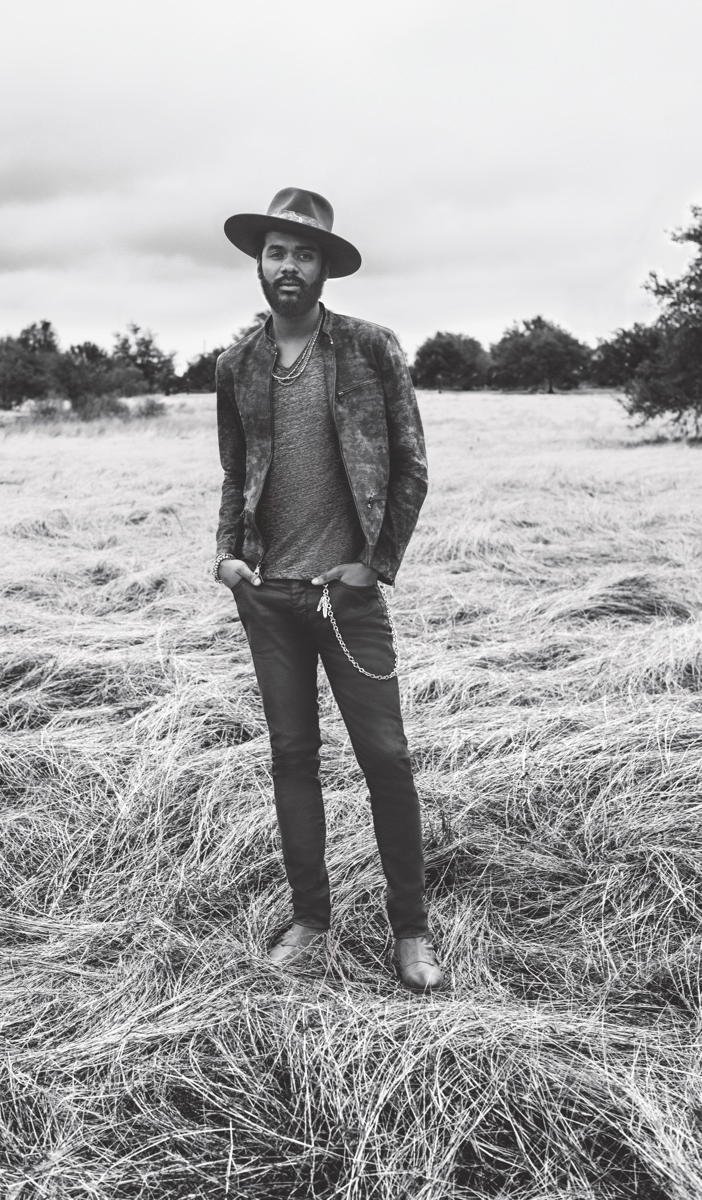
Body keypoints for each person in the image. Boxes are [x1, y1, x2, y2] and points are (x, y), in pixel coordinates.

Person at [214, 187, 442, 993]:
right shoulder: (236, 365)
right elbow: (237, 474)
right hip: (269, 599)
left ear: (324, 269)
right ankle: (311, 919)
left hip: (346, 599)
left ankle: (410, 932)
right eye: (276, 251)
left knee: (386, 757)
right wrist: (228, 556)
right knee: (291, 757)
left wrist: (372, 567)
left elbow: (411, 465)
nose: (288, 266)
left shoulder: (370, 350)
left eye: (303, 253)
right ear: (260, 261)